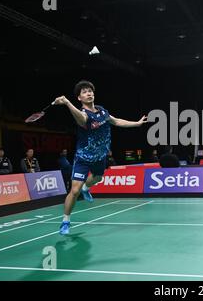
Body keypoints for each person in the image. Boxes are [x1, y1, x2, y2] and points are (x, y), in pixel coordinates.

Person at [53, 80, 147, 235]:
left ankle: (86, 188)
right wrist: (67, 103)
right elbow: (81, 120)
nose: (88, 93)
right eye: (84, 92)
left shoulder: (102, 111)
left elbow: (116, 121)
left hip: (100, 156)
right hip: (83, 157)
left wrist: (136, 124)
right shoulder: (83, 114)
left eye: (90, 91)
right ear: (79, 98)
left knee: (97, 178)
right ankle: (65, 221)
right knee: (74, 191)